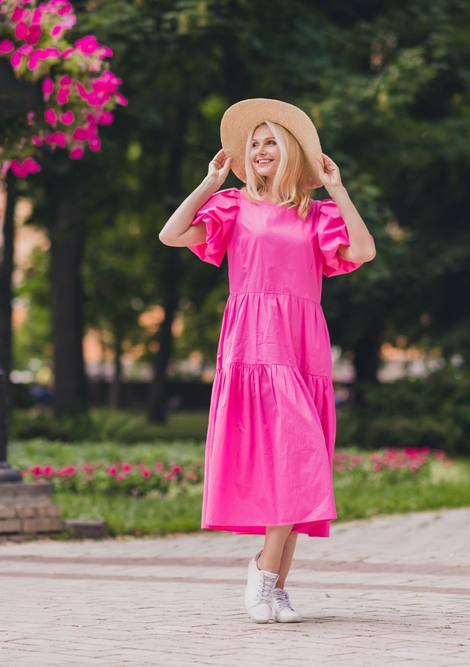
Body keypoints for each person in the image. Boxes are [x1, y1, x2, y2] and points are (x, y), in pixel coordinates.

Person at [158, 99, 375, 624]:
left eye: (270, 140)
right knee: (294, 458)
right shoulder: (231, 206)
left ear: (290, 151)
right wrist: (210, 182)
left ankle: (272, 586)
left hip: (303, 346)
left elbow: (363, 250)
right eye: (253, 143)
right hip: (254, 344)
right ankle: (263, 575)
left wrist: (338, 190)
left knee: (300, 462)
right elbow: (171, 233)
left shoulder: (317, 213)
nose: (259, 150)